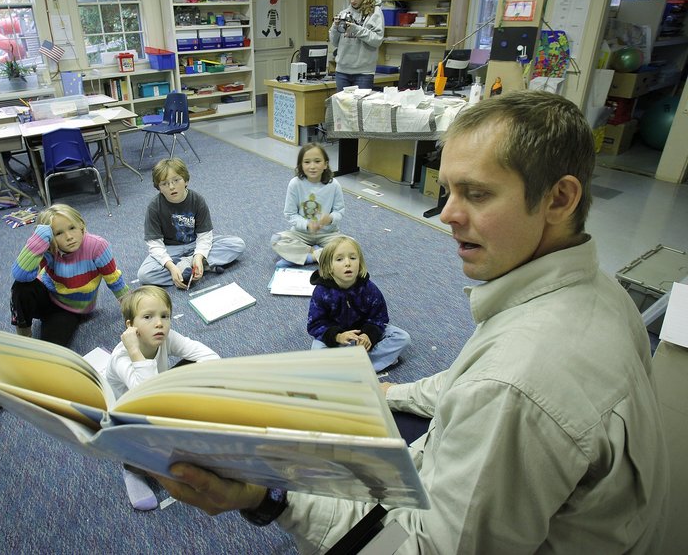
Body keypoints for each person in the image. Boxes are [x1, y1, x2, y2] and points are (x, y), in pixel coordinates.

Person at [153, 91, 669, 553]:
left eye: (478, 194)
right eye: (447, 190)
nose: (446, 214)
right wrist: (389, 394)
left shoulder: (517, 386)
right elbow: (467, 382)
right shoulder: (601, 289)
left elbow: (428, 547)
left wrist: (270, 499)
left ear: (560, 198)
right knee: (344, 420)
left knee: (314, 456)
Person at [0, 204, 130, 456]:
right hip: (48, 296)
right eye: (58, 233)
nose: (69, 237)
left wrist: (132, 311)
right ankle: (24, 338)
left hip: (71, 311)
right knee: (21, 288)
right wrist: (38, 242)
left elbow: (115, 280)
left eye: (73, 228)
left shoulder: (97, 246)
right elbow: (21, 275)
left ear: (82, 226)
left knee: (41, 365)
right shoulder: (48, 248)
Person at [106, 286, 219, 510]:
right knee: (140, 441)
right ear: (130, 326)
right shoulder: (121, 358)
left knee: (200, 369)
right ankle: (132, 472)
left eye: (164, 316)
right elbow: (148, 396)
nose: (159, 323)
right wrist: (136, 352)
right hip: (128, 414)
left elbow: (210, 358)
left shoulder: (165, 336)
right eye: (148, 317)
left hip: (156, 394)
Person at [137, 157, 245, 289]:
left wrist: (199, 256)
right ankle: (195, 268)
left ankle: (188, 266)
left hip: (195, 244)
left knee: (237, 245)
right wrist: (170, 266)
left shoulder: (197, 200)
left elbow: (205, 235)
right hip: (170, 249)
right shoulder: (155, 206)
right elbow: (154, 244)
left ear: (186, 180)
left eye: (176, 180)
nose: (171, 187)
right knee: (144, 275)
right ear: (158, 188)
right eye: (164, 184)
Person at [307, 236, 408, 372]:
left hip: (363, 335)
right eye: (339, 259)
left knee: (402, 337)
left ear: (360, 263)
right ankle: (368, 363)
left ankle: (349, 366)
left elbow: (379, 317)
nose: (348, 263)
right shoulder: (321, 292)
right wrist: (338, 336)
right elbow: (315, 324)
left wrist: (368, 335)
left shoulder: (369, 288)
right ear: (328, 267)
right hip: (339, 338)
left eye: (353, 258)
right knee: (317, 352)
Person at [271, 144, 344, 267]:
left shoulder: (334, 185)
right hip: (301, 233)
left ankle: (305, 257)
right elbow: (290, 214)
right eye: (307, 162)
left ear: (325, 164)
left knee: (350, 246)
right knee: (276, 240)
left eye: (317, 161)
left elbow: (339, 211)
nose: (312, 166)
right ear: (301, 165)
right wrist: (307, 225)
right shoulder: (295, 184)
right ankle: (318, 255)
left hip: (328, 234)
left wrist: (331, 218)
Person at [329, 0, 385, 92]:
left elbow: (377, 40)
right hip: (342, 72)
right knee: (342, 109)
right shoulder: (344, 13)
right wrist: (335, 27)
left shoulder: (374, 13)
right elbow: (334, 42)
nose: (352, 0)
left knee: (359, 109)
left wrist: (356, 29)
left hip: (363, 73)